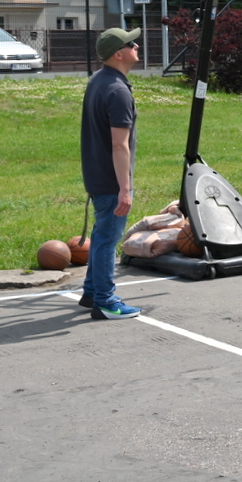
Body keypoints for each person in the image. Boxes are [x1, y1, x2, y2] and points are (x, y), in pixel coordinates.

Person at [79, 27, 143, 320]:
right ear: (119, 53)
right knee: (107, 238)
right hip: (110, 179)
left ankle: (92, 290)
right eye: (132, 43)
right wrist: (125, 189)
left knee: (101, 233)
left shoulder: (99, 80)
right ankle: (105, 301)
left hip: (96, 174)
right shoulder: (117, 90)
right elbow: (120, 145)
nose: (137, 45)